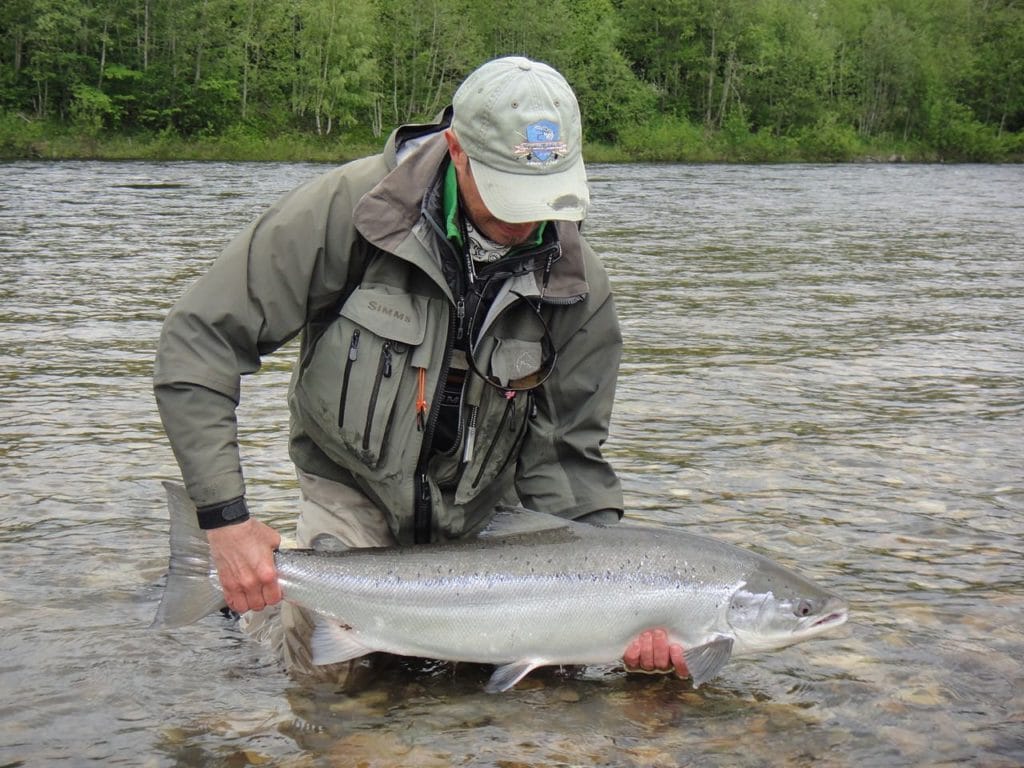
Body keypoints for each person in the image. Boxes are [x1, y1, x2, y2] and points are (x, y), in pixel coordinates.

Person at [154, 55, 687, 684]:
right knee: (329, 689)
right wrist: (225, 519)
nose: (528, 221)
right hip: (354, 492)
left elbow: (569, 458)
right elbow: (200, 340)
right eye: (509, 193)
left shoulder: (578, 287)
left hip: (491, 518)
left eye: (546, 197)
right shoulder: (349, 213)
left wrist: (622, 611)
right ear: (456, 151)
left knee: (546, 690)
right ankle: (260, 611)